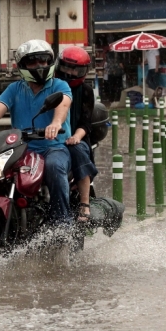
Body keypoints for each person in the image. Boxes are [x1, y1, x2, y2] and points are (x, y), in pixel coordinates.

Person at [0, 39, 74, 224]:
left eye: (43, 60)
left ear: (50, 62)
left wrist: (56, 124)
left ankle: (61, 222)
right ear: (23, 66)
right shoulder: (14, 89)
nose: (39, 65)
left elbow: (63, 105)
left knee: (54, 167)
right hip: (22, 149)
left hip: (53, 147)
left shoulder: (60, 86)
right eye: (33, 61)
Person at [54, 46, 98, 223]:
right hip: (48, 139)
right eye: (66, 67)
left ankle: (84, 203)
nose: (71, 73)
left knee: (78, 151)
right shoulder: (51, 86)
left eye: (76, 70)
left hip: (74, 138)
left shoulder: (86, 91)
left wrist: (75, 137)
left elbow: (85, 122)